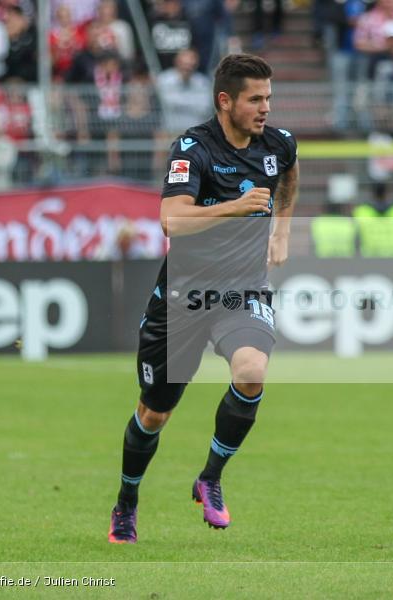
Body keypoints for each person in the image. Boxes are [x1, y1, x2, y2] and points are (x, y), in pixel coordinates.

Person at [108, 54, 299, 543]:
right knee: (155, 413)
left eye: (268, 98)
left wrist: (281, 232)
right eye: (255, 99)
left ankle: (211, 476)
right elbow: (171, 220)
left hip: (244, 289)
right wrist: (237, 207)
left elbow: (289, 174)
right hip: (182, 300)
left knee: (251, 372)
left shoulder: (278, 144)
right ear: (225, 101)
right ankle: (127, 501)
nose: (265, 109)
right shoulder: (192, 149)